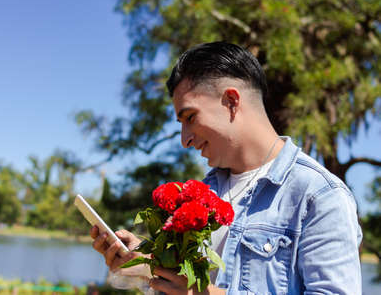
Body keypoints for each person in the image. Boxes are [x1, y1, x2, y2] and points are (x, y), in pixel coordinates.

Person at [91, 42, 362, 294]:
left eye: (190, 117)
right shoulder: (205, 192)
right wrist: (146, 263)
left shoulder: (319, 196)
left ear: (231, 102)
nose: (185, 139)